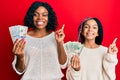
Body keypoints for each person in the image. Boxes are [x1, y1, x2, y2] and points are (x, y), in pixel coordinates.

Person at [12, 1, 67, 80]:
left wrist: (59, 43)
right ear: (31, 17)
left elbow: (63, 64)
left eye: (44, 15)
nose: (40, 18)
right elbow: (19, 70)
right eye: (35, 14)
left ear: (49, 17)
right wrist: (20, 57)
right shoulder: (23, 38)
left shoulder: (56, 37)